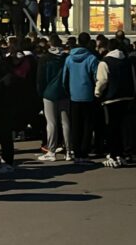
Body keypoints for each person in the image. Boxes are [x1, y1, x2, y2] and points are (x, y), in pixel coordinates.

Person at [95, 45, 136, 167]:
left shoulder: (105, 62)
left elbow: (102, 81)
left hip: (111, 99)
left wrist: (97, 93)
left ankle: (114, 155)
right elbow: (134, 79)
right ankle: (122, 154)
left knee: (111, 128)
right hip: (127, 97)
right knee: (123, 128)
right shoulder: (128, 62)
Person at [63, 33, 99, 163]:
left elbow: (64, 78)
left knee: (75, 125)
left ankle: (76, 152)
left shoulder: (69, 58)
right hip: (88, 95)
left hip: (74, 95)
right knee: (87, 125)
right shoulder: (92, 58)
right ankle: (84, 153)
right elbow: (97, 77)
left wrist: (68, 91)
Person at [36, 33, 72, 161]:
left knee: (51, 123)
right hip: (64, 92)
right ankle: (69, 151)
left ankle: (51, 151)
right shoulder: (67, 58)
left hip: (49, 93)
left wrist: (41, 93)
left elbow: (40, 79)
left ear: (50, 43)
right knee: (66, 122)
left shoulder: (45, 59)